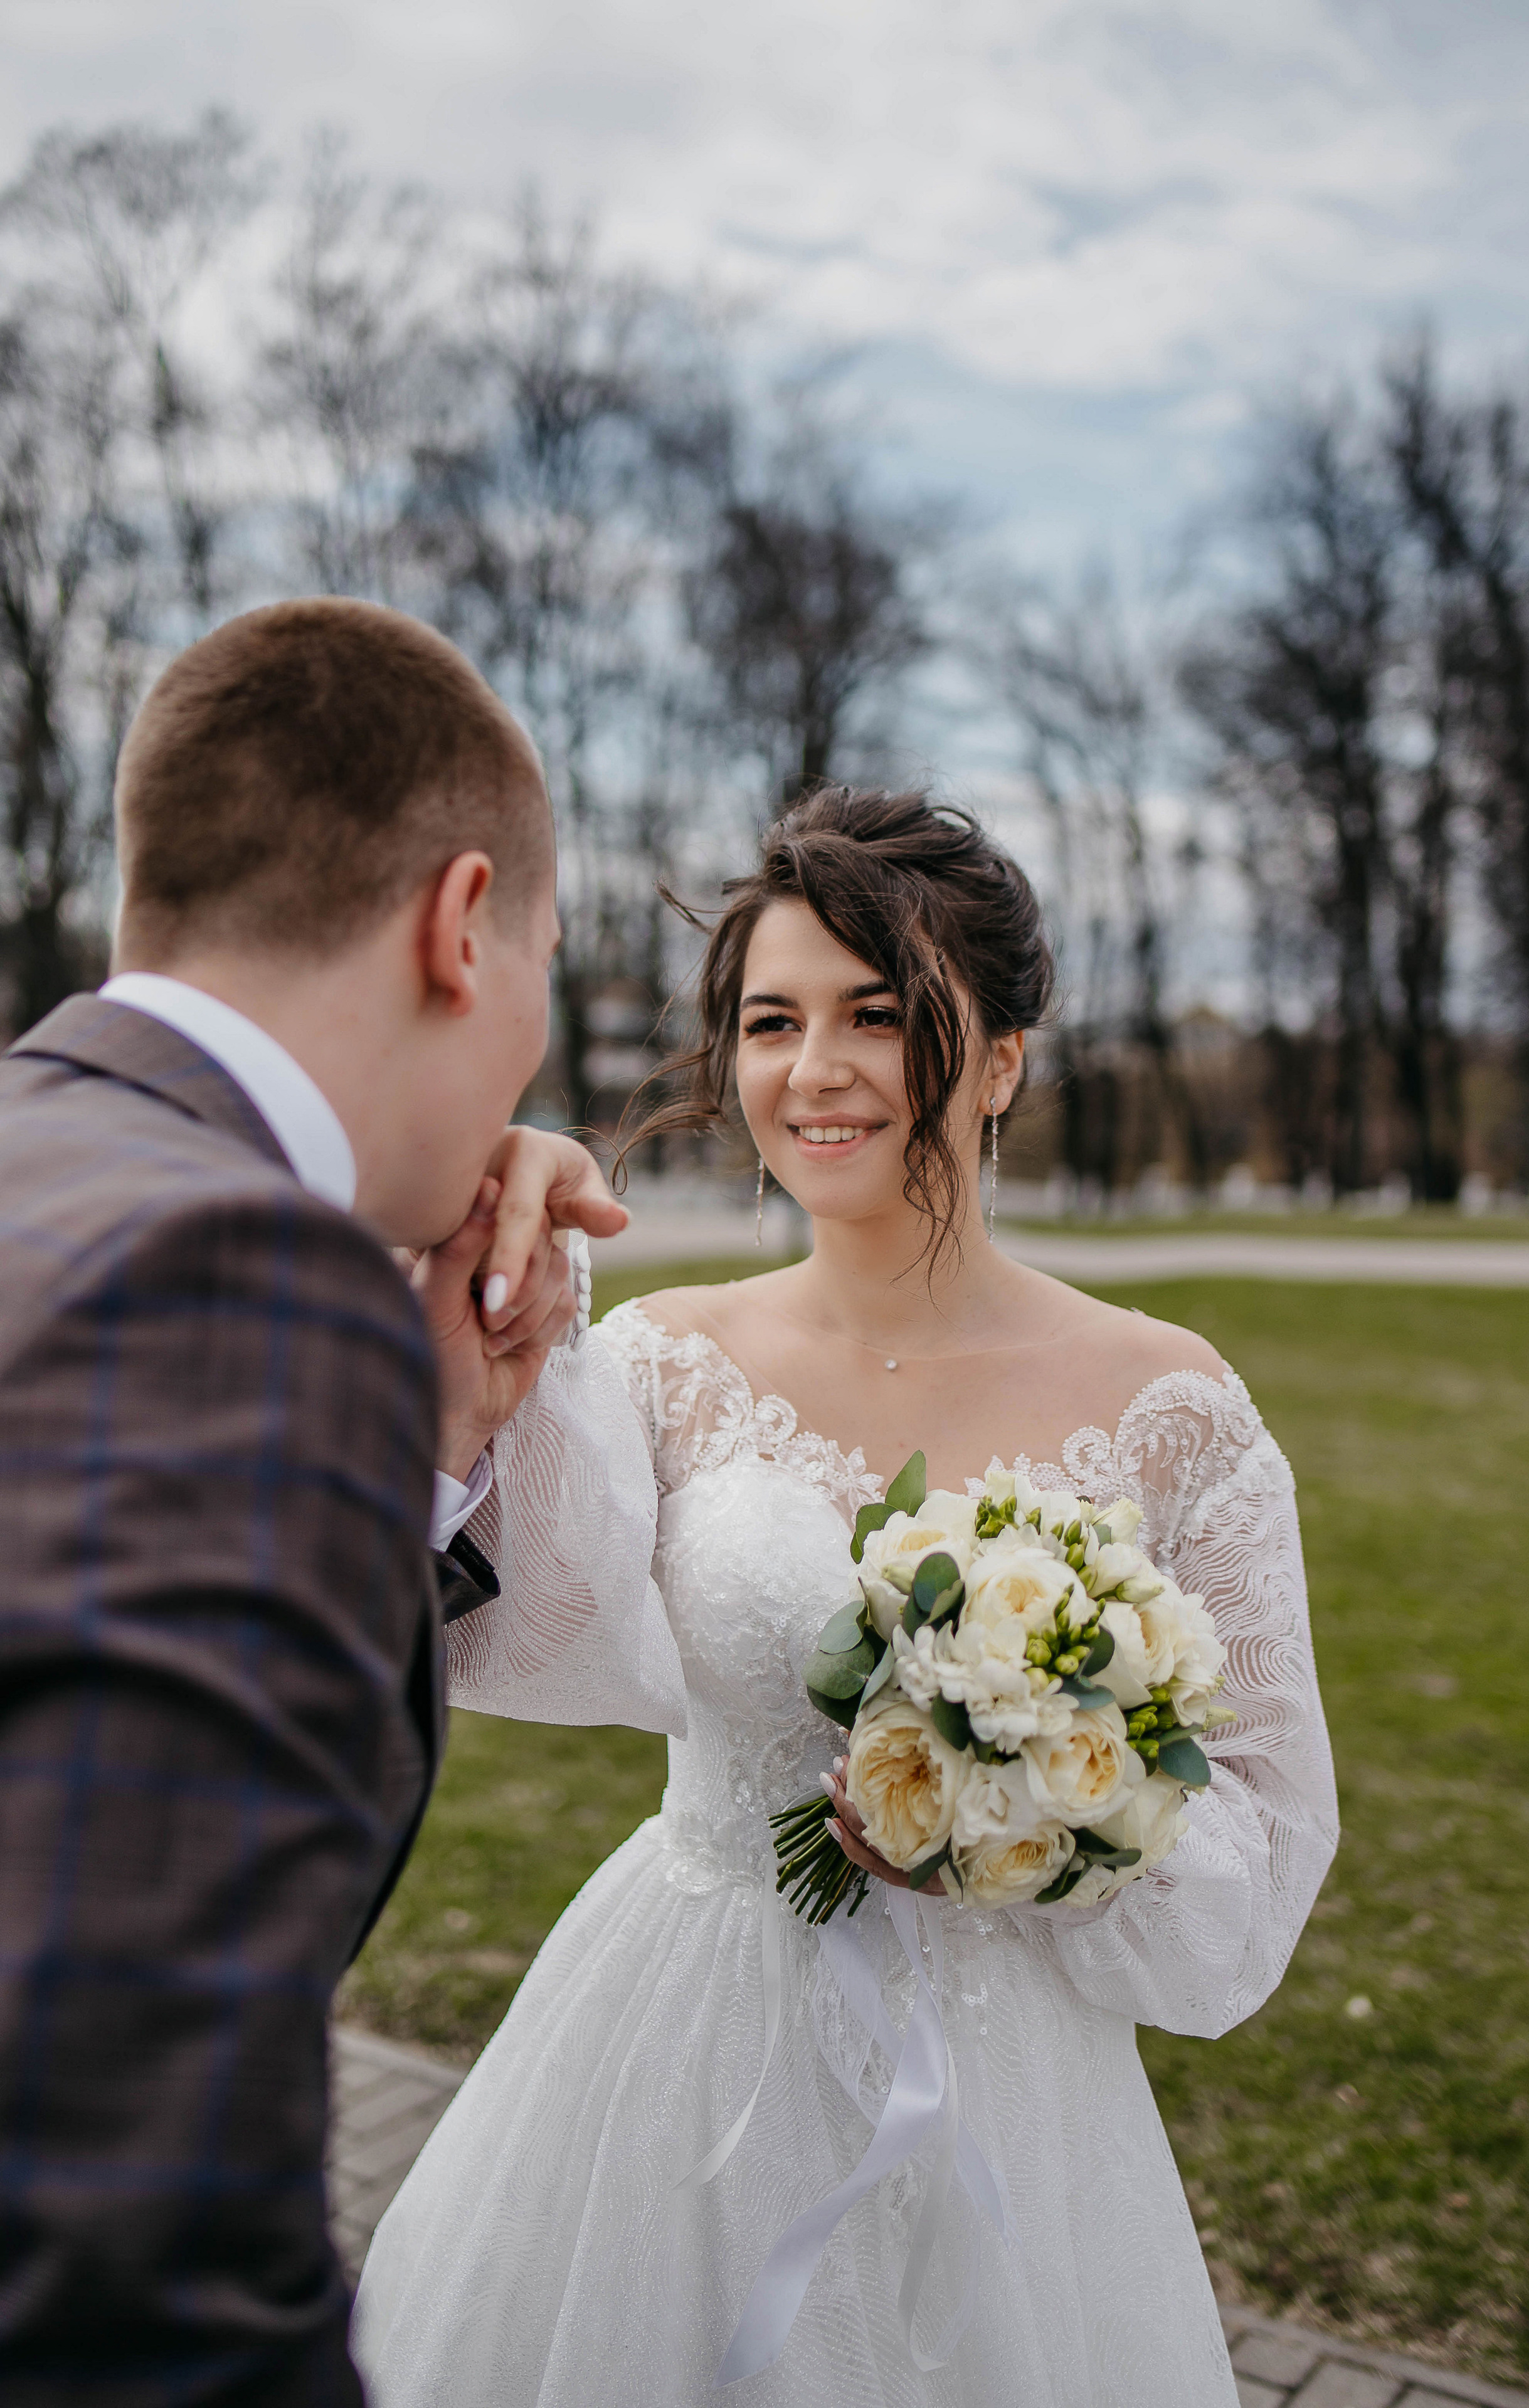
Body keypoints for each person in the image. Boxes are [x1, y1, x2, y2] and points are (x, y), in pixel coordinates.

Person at [354, 786, 1340, 2408]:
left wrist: (1035, 1806)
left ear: (1003, 1058)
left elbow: (1266, 1833)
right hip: (683, 2051)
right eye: (770, 1020)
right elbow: (500, 1627)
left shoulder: (1177, 1411)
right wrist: (477, 1336)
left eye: (878, 1016)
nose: (812, 1069)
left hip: (1014, 2086)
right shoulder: (662, 1363)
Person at [0, 598, 630, 2405]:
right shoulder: (233, 1279)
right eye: (542, 964)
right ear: (459, 923)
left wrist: (420, 1437)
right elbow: (134, 2251)